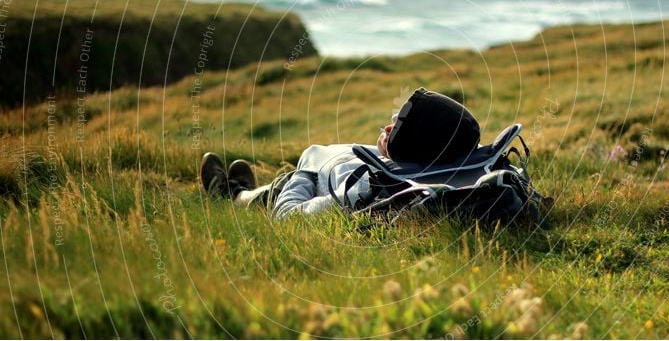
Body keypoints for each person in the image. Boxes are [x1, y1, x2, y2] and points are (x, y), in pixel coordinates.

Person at [200, 87, 481, 219]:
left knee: (273, 189)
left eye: (393, 130)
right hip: (341, 165)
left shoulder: (363, 193)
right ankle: (240, 189)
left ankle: (233, 193)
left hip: (308, 184)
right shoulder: (452, 159)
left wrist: (303, 175)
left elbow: (286, 215)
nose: (386, 124)